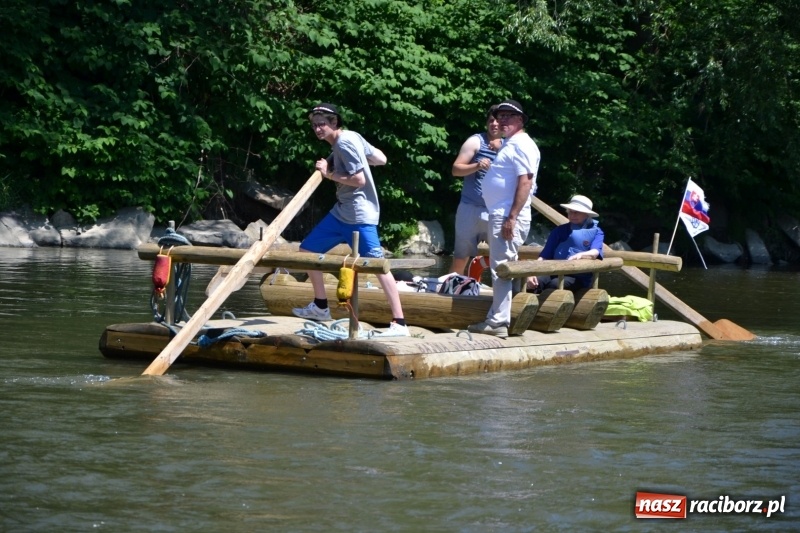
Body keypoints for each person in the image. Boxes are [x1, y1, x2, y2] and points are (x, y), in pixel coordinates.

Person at [292, 103, 409, 337]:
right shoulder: (351, 137)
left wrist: (329, 174)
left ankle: (399, 323)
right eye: (314, 125)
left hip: (359, 215)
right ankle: (321, 306)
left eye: (322, 124)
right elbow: (381, 158)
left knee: (378, 266)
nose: (317, 129)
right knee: (307, 250)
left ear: (334, 122)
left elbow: (359, 180)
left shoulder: (344, 143)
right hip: (341, 213)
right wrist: (345, 162)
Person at [467, 99, 540, 338]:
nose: (502, 120)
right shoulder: (513, 144)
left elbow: (526, 181)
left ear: (521, 120)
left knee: (502, 269)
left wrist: (511, 217)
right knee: (504, 267)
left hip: (507, 216)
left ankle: (498, 322)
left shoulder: (522, 145)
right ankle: (504, 318)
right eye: (500, 116)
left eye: (509, 116)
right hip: (502, 214)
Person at [450, 105, 502, 276]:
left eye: (498, 120)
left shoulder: (512, 146)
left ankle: (505, 296)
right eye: (491, 120)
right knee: (461, 256)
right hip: (470, 207)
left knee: (501, 257)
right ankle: (451, 291)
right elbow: (456, 170)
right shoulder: (475, 141)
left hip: (496, 210)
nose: (494, 124)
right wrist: (477, 165)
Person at [527, 195, 605, 293]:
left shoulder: (597, 232)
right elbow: (544, 256)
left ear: (587, 214)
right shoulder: (559, 231)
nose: (572, 215)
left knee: (555, 284)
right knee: (534, 283)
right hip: (554, 271)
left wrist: (580, 255)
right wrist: (532, 273)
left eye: (576, 212)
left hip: (577, 277)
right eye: (570, 212)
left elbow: (595, 252)